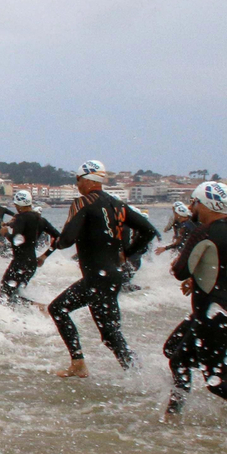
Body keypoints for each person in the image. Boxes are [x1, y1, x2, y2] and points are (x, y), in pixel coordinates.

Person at [163, 181, 227, 427]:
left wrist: (191, 270)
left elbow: (180, 270)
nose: (192, 208)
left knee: (217, 382)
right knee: (178, 359)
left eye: (195, 202)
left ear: (206, 204)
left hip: (213, 313)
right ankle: (173, 414)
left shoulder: (203, 232)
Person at [48, 160, 157, 377]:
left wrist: (57, 242)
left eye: (78, 180)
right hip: (113, 276)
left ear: (86, 180)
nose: (77, 185)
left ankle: (136, 375)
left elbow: (67, 239)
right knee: (110, 334)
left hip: (97, 278)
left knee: (59, 310)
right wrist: (127, 253)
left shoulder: (83, 202)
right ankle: (139, 375)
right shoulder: (117, 204)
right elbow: (149, 231)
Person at [0, 190, 61, 306]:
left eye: (15, 205)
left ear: (18, 205)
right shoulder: (40, 219)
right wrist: (44, 256)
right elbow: (58, 238)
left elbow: (16, 241)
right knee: (15, 293)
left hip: (20, 262)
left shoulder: (21, 218)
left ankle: (37, 306)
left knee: (4, 294)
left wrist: (5, 233)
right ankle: (33, 309)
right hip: (32, 263)